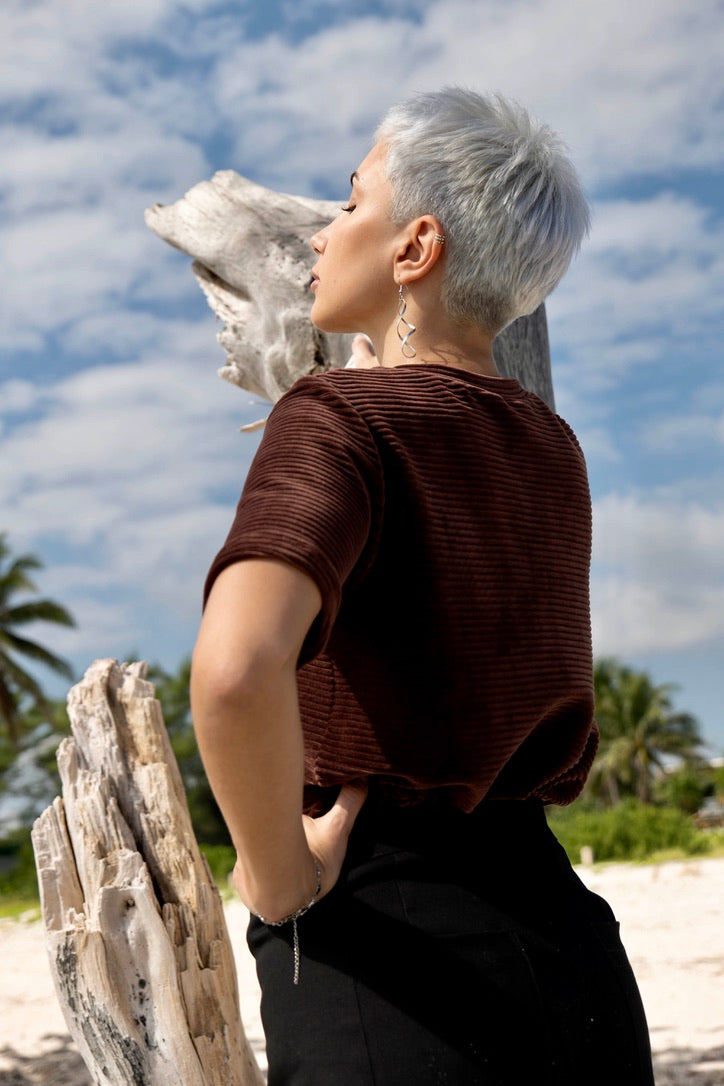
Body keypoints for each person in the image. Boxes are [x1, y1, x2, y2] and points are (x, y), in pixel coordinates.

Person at [191, 88, 655, 1085]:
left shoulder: (337, 419)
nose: (323, 233)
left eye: (352, 201)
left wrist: (277, 876)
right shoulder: (554, 447)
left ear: (416, 248)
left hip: (388, 960)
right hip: (568, 953)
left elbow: (234, 674)